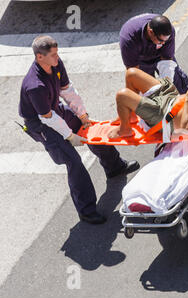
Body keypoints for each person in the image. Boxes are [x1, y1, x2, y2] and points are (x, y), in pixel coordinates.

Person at [18, 35, 140, 225]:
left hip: (55, 110)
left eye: (57, 53)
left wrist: (82, 115)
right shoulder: (36, 85)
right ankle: (87, 210)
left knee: (91, 131)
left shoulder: (56, 65)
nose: (57, 58)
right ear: (39, 57)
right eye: (53, 55)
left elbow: (67, 91)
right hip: (41, 123)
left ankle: (114, 167)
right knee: (73, 161)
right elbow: (47, 118)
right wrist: (70, 135)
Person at [119, 13, 188, 94]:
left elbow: (167, 60)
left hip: (160, 56)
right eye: (160, 41)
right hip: (140, 62)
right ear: (150, 32)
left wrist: (167, 86)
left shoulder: (168, 33)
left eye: (165, 41)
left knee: (177, 85)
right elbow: (134, 73)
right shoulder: (129, 39)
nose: (163, 44)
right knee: (149, 92)